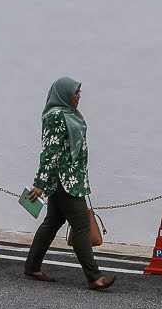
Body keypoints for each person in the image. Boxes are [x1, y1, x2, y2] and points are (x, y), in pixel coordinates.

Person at [23, 77, 115, 291]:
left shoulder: (70, 114)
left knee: (52, 222)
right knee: (82, 225)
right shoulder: (56, 116)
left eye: (79, 93)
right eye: (76, 93)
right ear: (64, 93)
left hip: (70, 178)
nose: (79, 96)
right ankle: (94, 277)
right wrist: (40, 183)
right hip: (65, 180)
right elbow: (50, 150)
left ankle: (32, 266)